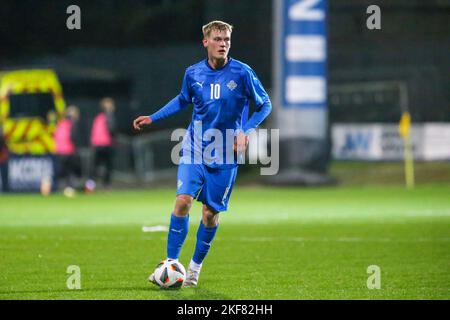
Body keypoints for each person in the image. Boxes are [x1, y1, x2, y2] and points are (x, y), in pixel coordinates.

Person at [133, 20, 272, 287]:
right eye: (218, 39)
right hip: (194, 148)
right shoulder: (193, 73)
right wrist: (154, 117)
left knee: (209, 214)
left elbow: (264, 104)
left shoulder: (242, 73)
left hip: (225, 154)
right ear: (205, 42)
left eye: (227, 40)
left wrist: (246, 130)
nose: (223, 44)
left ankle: (194, 269)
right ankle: (170, 264)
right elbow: (183, 99)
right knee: (182, 201)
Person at [54, 105, 82, 194]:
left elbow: (56, 137)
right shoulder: (72, 123)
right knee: (70, 171)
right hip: (69, 150)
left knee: (62, 171)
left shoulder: (60, 123)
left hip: (59, 151)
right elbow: (73, 137)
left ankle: (58, 188)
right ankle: (70, 187)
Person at [90, 97, 116, 188]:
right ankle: (106, 185)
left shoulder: (98, 118)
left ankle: (91, 186)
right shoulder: (108, 116)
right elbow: (112, 130)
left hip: (97, 145)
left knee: (96, 166)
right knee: (107, 166)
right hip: (106, 144)